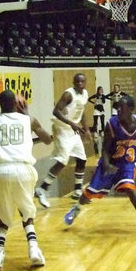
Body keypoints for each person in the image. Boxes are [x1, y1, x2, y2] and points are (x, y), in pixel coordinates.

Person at [63, 95, 136, 237]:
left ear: (131, 109)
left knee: (130, 188)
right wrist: (106, 164)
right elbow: (105, 149)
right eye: (116, 107)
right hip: (110, 162)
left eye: (121, 107)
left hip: (127, 164)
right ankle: (76, 208)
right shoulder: (111, 124)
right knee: (89, 193)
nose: (117, 109)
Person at [0, 90, 53, 269]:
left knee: (4, 213)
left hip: (2, 170)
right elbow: (47, 140)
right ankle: (33, 250)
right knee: (26, 212)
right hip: (23, 170)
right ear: (17, 104)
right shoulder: (29, 120)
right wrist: (28, 115)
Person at [35, 73, 91, 207]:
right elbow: (56, 111)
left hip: (74, 130)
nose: (79, 84)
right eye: (77, 81)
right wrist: (71, 123)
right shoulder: (68, 95)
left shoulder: (85, 94)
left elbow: (81, 111)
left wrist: (87, 128)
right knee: (62, 161)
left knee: (82, 159)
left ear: (85, 83)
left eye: (82, 82)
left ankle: (78, 190)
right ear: (73, 82)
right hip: (62, 129)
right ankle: (42, 188)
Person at [87, 86, 107, 154]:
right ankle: (95, 132)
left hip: (101, 110)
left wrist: (102, 97)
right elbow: (89, 99)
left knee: (102, 122)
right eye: (99, 90)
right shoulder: (95, 96)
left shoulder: (103, 96)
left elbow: (104, 102)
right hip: (96, 110)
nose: (100, 91)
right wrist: (93, 103)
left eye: (102, 90)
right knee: (95, 122)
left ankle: (102, 132)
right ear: (98, 90)